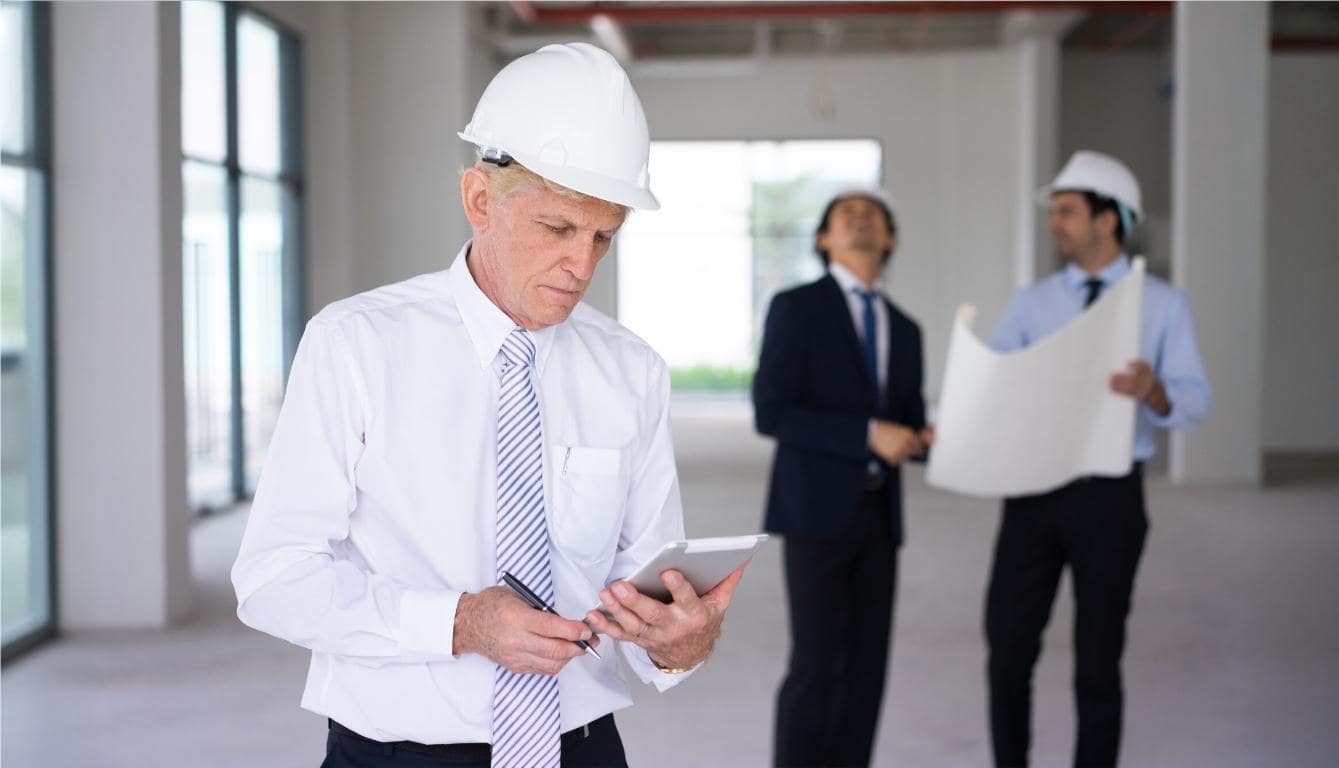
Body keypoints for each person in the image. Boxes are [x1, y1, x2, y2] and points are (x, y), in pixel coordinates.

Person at [231, 43, 745, 768]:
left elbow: (644, 582)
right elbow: (273, 578)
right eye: (558, 229)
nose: (582, 264)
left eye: (603, 236)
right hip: (395, 753)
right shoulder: (356, 345)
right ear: (479, 200)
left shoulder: (631, 371)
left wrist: (682, 642)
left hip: (584, 749)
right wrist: (459, 623)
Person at [984, 150, 1212, 768]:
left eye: (1066, 211)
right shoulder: (1032, 304)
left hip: (1109, 498)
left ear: (1107, 221)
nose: (1054, 223)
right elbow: (995, 381)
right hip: (1032, 493)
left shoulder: (1163, 306)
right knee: (1007, 651)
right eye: (1054, 211)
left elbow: (1195, 401)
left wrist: (1155, 391)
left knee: (1097, 658)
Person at [753, 189, 934, 768]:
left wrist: (927, 440)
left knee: (867, 670)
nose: (860, 219)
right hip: (813, 513)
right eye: (844, 215)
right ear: (824, 239)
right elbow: (771, 410)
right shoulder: (796, 307)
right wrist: (865, 433)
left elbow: (906, 421)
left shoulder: (907, 330)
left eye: (873, 215)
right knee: (814, 664)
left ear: (891, 239)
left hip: (882, 518)